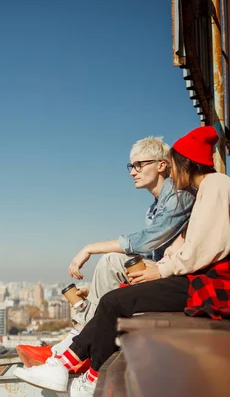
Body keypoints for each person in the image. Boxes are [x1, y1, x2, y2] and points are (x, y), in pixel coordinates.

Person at [14, 126, 230, 397]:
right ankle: (64, 362)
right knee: (114, 296)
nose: (173, 174)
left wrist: (162, 270)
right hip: (198, 276)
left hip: (208, 281)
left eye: (174, 164)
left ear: (181, 162)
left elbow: (202, 248)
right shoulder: (205, 189)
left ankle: (84, 373)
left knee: (114, 301)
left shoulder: (212, 187)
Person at [16, 136, 195, 367]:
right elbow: (153, 253)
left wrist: (90, 248)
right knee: (110, 265)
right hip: (164, 268)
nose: (133, 172)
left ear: (162, 165)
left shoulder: (179, 196)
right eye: (132, 166)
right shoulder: (156, 205)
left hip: (181, 278)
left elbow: (149, 241)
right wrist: (95, 288)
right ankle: (71, 344)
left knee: (111, 260)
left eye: (140, 164)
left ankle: (72, 349)